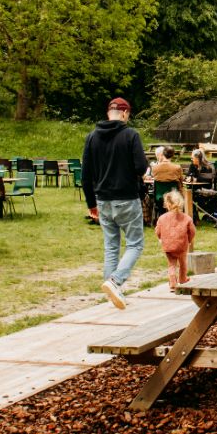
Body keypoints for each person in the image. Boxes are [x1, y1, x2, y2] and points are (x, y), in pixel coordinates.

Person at [82, 96, 148, 308]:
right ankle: (116, 281)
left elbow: (85, 174)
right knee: (135, 244)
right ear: (125, 113)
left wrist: (91, 203)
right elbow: (140, 167)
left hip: (102, 200)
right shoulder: (130, 135)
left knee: (111, 247)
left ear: (108, 113)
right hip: (127, 198)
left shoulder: (92, 137)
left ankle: (111, 292)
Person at [155, 189, 196, 290]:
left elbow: (157, 231)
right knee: (182, 263)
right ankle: (182, 279)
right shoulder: (187, 218)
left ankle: (173, 282)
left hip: (168, 245)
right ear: (181, 203)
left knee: (171, 264)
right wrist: (189, 240)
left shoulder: (162, 218)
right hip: (181, 245)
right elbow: (192, 231)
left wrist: (160, 238)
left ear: (167, 204)